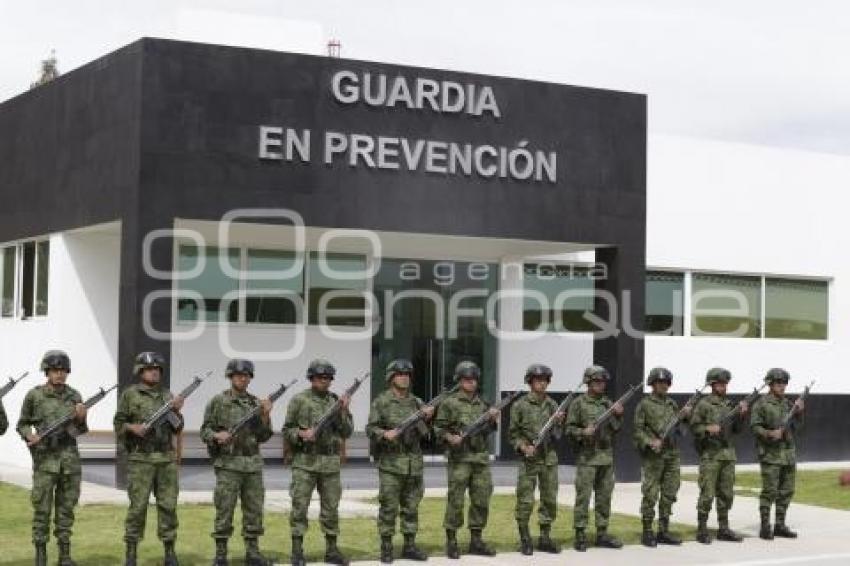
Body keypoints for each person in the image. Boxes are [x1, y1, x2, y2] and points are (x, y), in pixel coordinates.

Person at [114, 351, 185, 566]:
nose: (154, 372)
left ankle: (170, 552)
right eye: (149, 369)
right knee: (138, 507)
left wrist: (178, 412)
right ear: (140, 371)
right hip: (141, 459)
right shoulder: (130, 395)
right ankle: (131, 553)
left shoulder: (168, 396)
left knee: (168, 506)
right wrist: (131, 427)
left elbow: (178, 428)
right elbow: (118, 424)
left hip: (165, 459)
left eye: (157, 369)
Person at [17, 350, 87, 566]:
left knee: (66, 510)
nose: (59, 374)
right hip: (45, 462)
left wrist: (81, 418)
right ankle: (41, 555)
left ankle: (64, 555)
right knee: (42, 510)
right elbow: (22, 423)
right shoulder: (34, 395)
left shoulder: (75, 396)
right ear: (47, 371)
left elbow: (79, 431)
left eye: (63, 370)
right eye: (55, 370)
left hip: (69, 463)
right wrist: (31, 435)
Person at [201, 358, 274, 565]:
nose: (242, 378)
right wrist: (217, 436)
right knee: (224, 508)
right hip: (228, 464)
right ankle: (221, 554)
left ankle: (253, 553)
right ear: (230, 377)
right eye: (238, 375)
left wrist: (266, 415)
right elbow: (204, 430)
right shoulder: (218, 401)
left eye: (246, 375)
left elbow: (264, 436)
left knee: (254, 510)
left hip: (252, 465)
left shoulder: (256, 404)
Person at [283, 359, 353, 566]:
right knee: (300, 507)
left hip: (330, 463)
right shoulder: (299, 400)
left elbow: (347, 432)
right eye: (320, 377)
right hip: (305, 462)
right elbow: (287, 430)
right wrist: (302, 434)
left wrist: (343, 411)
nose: (324, 381)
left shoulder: (336, 402)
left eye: (328, 378)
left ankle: (332, 550)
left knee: (331, 508)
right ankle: (297, 551)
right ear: (311, 378)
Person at [366, 359, 433, 563]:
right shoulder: (381, 402)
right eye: (400, 374)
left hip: (414, 464)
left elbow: (428, 435)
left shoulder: (417, 403)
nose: (404, 377)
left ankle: (409, 546)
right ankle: (386, 546)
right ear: (391, 377)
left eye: (407, 374)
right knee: (388, 507)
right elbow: (370, 429)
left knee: (411, 507)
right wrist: (385, 434)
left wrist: (428, 418)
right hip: (391, 465)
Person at [433, 360, 500, 559]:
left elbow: (488, 430)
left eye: (473, 379)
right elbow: (438, 428)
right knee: (456, 500)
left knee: (481, 499)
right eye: (466, 379)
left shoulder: (484, 404)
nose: (471, 383)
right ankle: (451, 541)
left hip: (480, 459)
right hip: (459, 459)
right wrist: (450, 437)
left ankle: (476, 540)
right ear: (460, 381)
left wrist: (493, 420)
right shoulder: (449, 402)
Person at [565, 365, 624, 551]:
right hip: (587, 457)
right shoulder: (578, 404)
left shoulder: (608, 403)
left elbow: (616, 428)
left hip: (606, 457)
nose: (601, 385)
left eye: (603, 382)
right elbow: (569, 429)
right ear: (588, 382)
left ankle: (602, 533)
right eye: (597, 381)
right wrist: (584, 431)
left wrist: (618, 415)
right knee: (583, 497)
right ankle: (580, 534)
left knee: (604, 497)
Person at [508, 363, 564, 555]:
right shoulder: (520, 405)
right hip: (529, 460)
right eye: (537, 380)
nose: (541, 383)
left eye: (544, 380)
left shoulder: (553, 405)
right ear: (530, 382)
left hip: (549, 459)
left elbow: (558, 435)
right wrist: (524, 447)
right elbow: (513, 434)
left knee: (549, 499)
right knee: (525, 500)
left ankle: (545, 537)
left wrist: (558, 422)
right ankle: (525, 538)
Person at [689, 367, 748, 544]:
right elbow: (694, 427)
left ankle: (724, 528)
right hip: (711, 455)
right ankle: (702, 529)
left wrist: (742, 415)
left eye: (725, 384)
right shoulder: (703, 404)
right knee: (707, 493)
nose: (724, 387)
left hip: (728, 455)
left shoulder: (730, 405)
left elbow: (737, 430)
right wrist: (708, 428)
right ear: (712, 384)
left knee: (726, 494)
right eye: (720, 384)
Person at [633, 367, 689, 547]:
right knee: (650, 493)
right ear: (652, 384)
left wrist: (685, 418)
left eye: (666, 383)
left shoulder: (672, 404)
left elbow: (681, 431)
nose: (663, 385)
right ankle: (647, 531)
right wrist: (650, 442)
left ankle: (663, 530)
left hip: (672, 454)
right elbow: (637, 431)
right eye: (659, 382)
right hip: (654, 456)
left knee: (669, 492)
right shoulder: (644, 405)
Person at [750, 368, 804, 540]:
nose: (782, 386)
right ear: (770, 384)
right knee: (770, 491)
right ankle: (765, 526)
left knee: (787, 491)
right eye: (778, 383)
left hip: (788, 454)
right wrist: (769, 433)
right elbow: (754, 426)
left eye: (784, 383)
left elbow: (796, 427)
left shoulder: (788, 404)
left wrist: (799, 412)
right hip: (771, 455)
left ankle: (780, 524)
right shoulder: (762, 404)